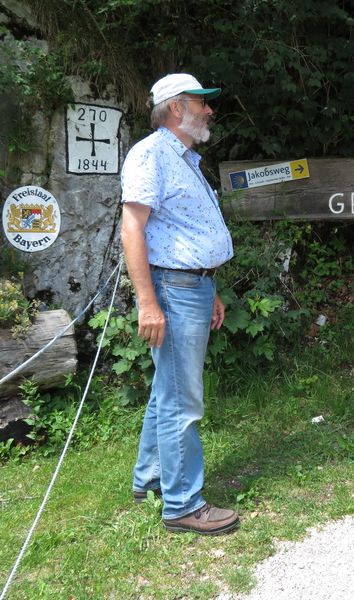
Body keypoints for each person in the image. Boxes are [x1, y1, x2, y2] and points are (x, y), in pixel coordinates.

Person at [120, 73, 238, 536]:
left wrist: (213, 289)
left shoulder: (185, 158)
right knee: (181, 402)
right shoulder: (150, 155)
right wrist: (147, 303)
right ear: (175, 108)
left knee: (165, 391)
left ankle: (149, 478)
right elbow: (133, 229)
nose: (209, 110)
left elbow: (188, 231)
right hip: (172, 291)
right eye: (200, 102)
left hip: (194, 288)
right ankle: (183, 504)